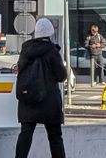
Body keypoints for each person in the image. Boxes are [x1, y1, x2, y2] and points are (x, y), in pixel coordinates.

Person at [14, 18, 67, 158]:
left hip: (28, 99)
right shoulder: (52, 51)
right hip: (49, 100)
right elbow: (61, 76)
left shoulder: (25, 50)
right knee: (55, 136)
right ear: (50, 34)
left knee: (26, 133)